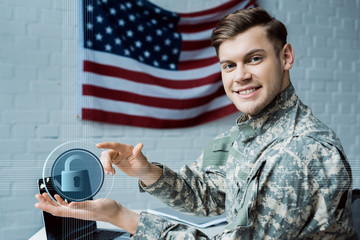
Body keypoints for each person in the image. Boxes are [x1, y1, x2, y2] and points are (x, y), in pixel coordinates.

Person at [35, 7, 357, 239]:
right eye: (228, 65)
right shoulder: (247, 132)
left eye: (254, 59)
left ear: (285, 57)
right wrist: (144, 170)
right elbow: (208, 194)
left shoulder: (302, 152)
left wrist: (121, 216)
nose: (240, 75)